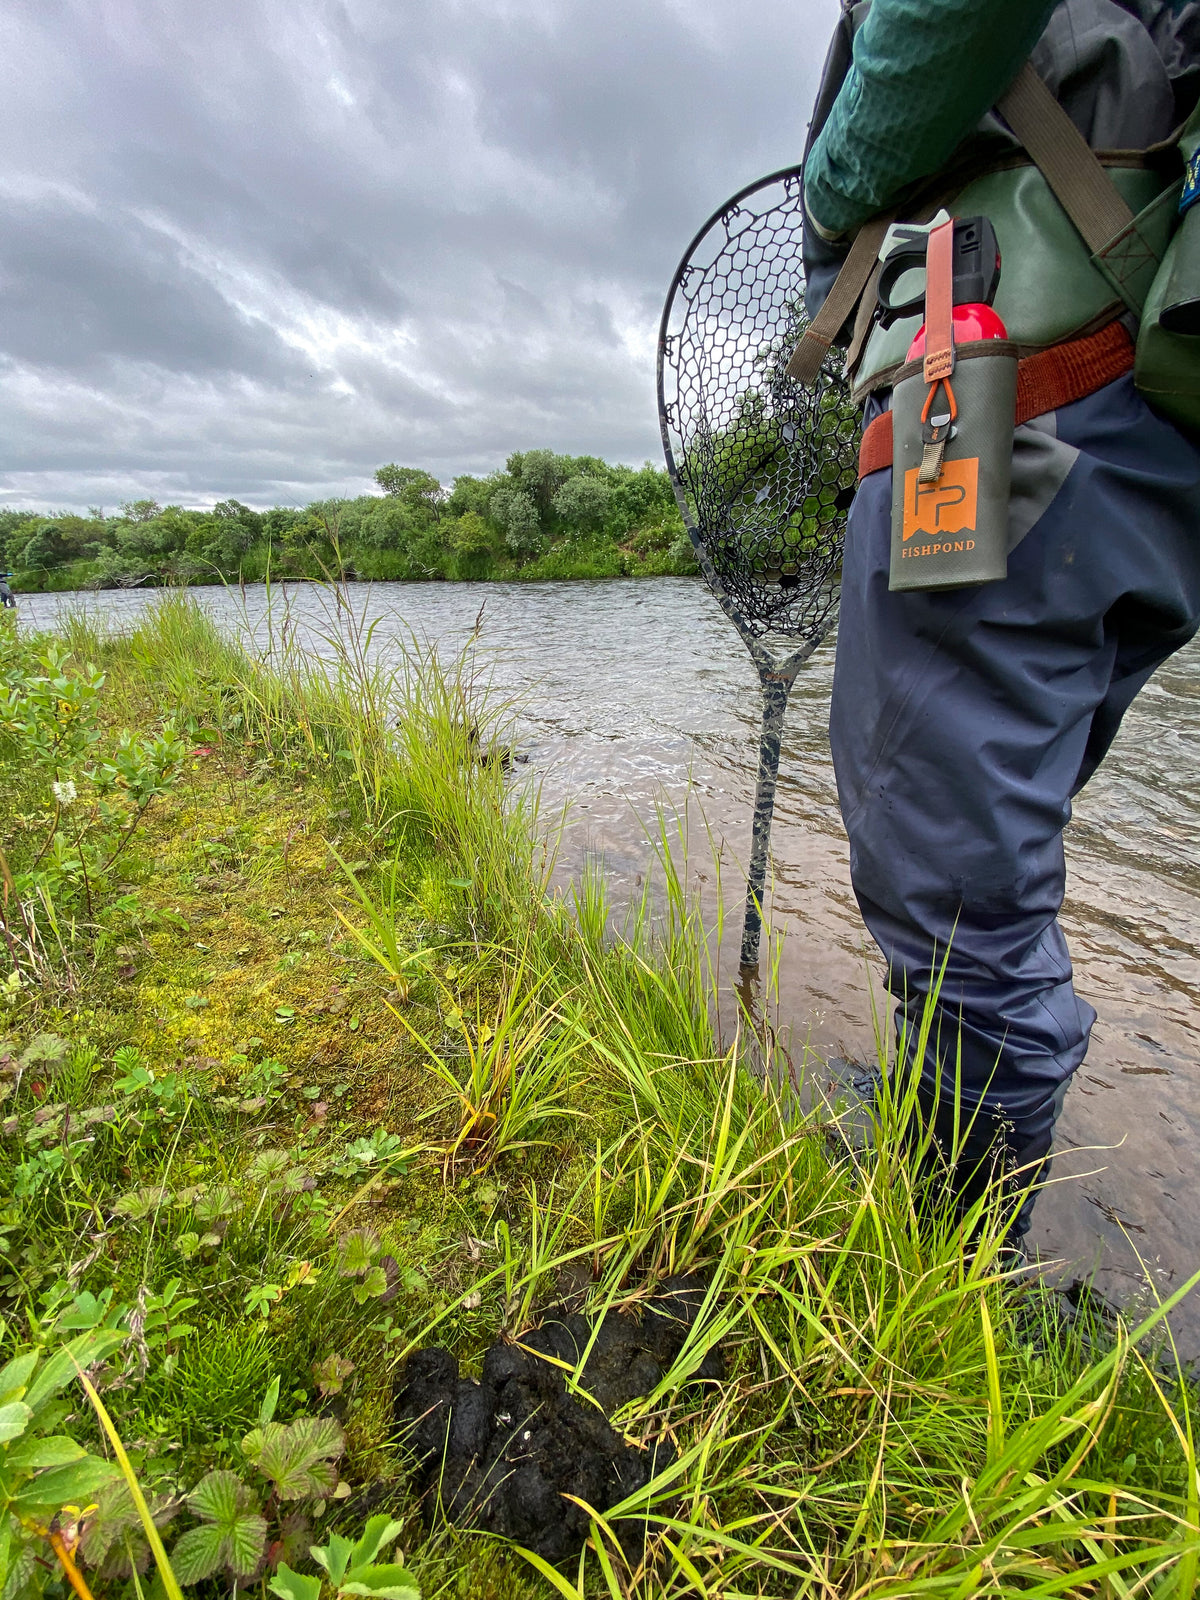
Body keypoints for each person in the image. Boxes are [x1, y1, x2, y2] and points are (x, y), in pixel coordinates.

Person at [800, 0, 1200, 1240]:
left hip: (1016, 401)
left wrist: (828, 186)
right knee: (985, 844)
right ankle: (947, 1121)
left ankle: (944, 1267)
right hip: (1131, 430)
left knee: (952, 892)